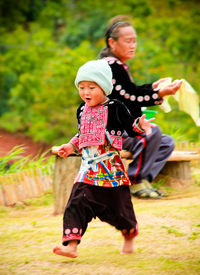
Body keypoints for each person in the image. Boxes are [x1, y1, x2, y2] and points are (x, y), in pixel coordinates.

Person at [53, 59, 156, 258]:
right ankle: (71, 246)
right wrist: (70, 146)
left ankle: (129, 234)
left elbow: (129, 127)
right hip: (88, 171)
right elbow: (81, 134)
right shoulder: (81, 110)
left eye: (92, 87)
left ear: (105, 87)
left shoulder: (115, 107)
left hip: (112, 173)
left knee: (120, 212)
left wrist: (140, 125)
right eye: (81, 87)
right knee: (76, 202)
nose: (86, 92)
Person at [99, 16, 182, 199]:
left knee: (166, 142)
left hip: (126, 129)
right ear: (112, 43)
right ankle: (135, 180)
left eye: (134, 41)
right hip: (112, 132)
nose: (133, 45)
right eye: (128, 41)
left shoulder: (118, 65)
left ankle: (144, 180)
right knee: (151, 133)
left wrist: (153, 88)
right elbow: (129, 96)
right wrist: (159, 93)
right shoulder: (110, 67)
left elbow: (129, 92)